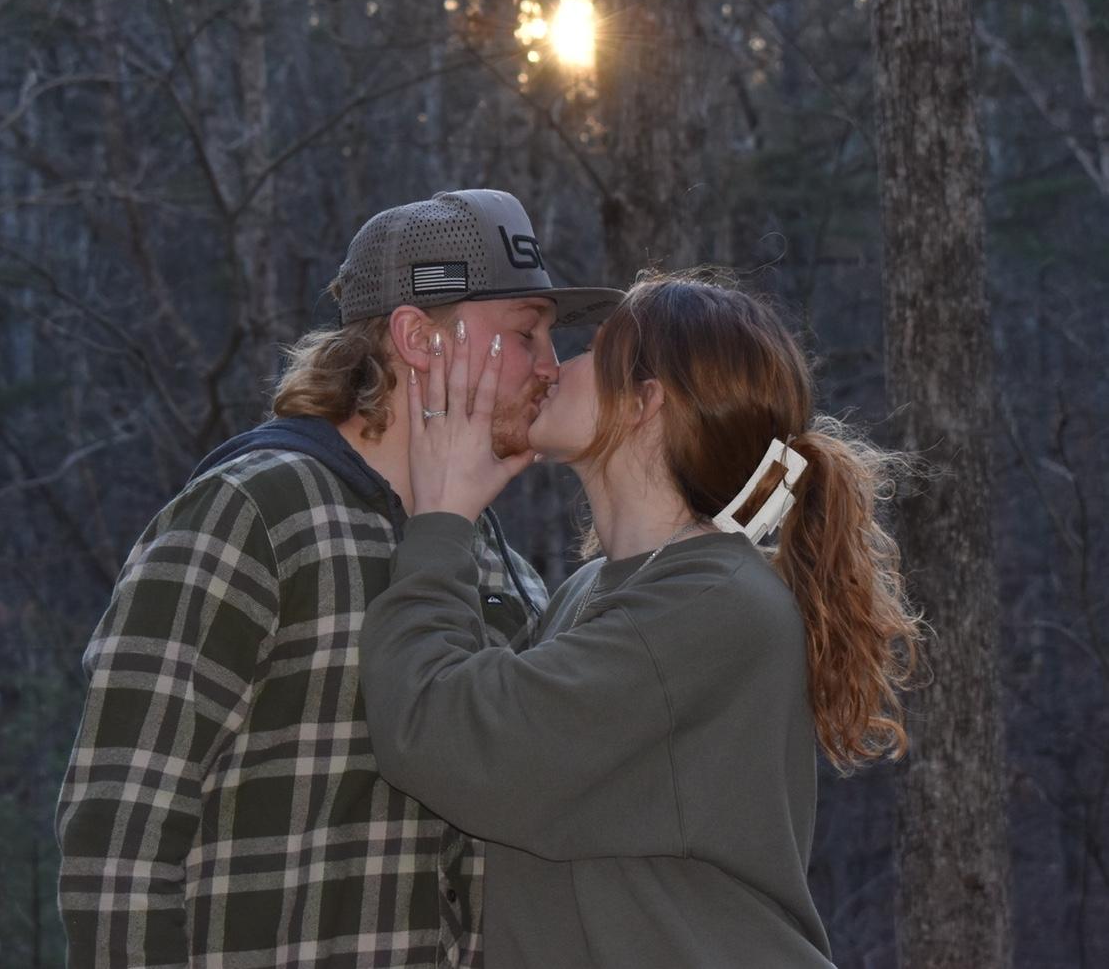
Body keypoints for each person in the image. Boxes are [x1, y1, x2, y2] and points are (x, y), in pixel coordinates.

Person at [55, 188, 622, 969]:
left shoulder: (502, 567)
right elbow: (119, 837)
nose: (551, 367)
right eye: (526, 333)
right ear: (417, 337)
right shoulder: (255, 511)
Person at [359, 273, 924, 969]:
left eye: (590, 351)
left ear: (643, 403)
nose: (550, 368)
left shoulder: (710, 604)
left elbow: (438, 732)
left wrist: (443, 518)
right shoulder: (605, 589)